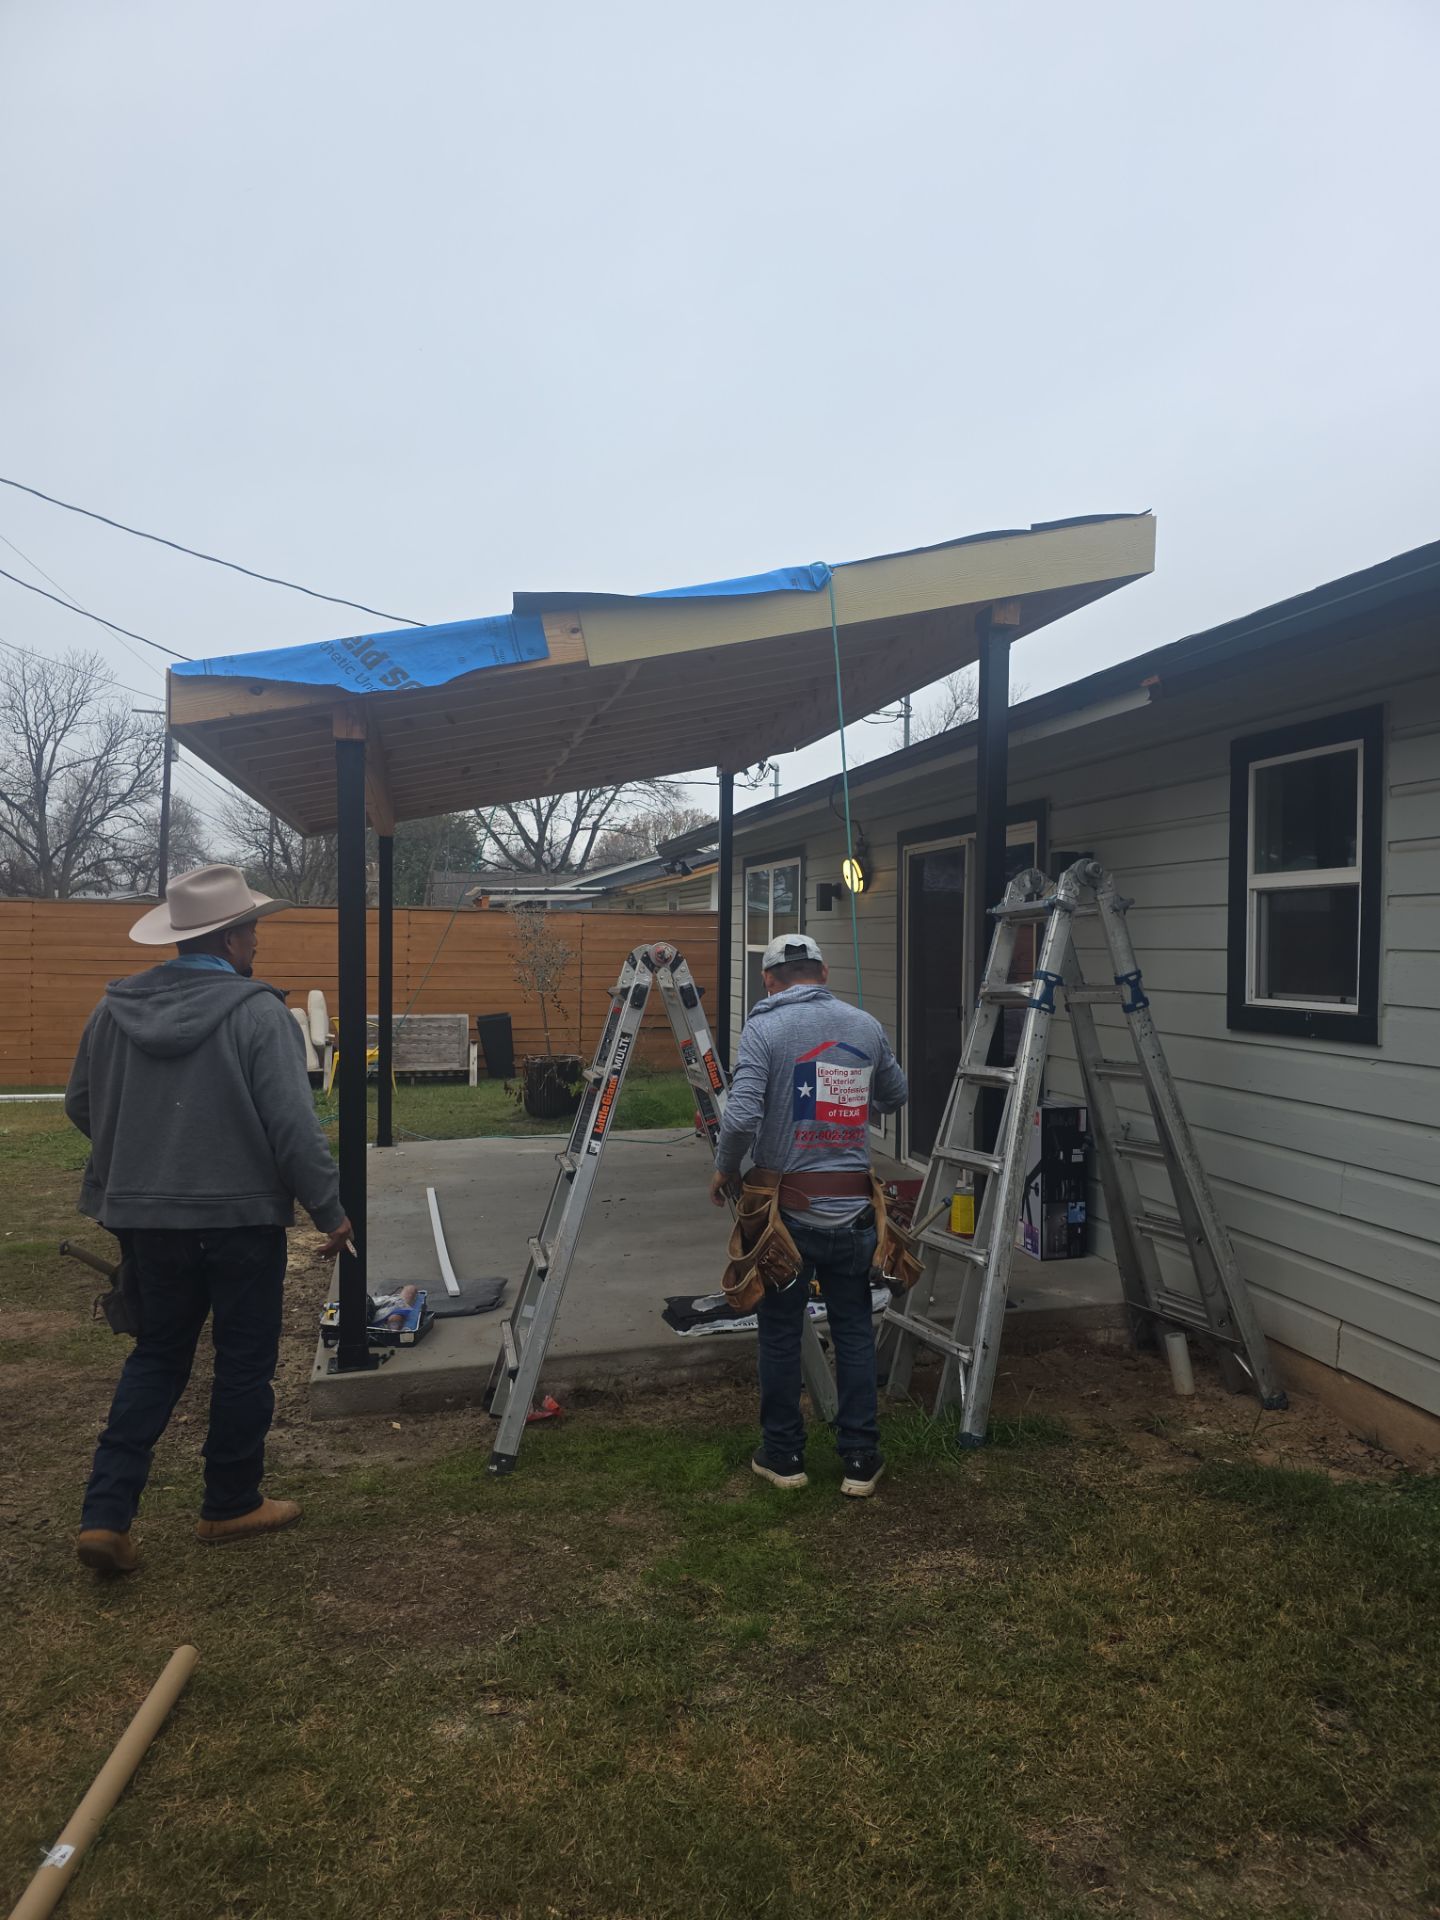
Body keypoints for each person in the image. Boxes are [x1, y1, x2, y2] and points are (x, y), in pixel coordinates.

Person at [66, 864, 353, 1574]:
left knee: (158, 1355)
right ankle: (229, 1503)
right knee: (244, 1360)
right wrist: (332, 1211)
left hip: (144, 1222)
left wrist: (143, 1157)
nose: (258, 937)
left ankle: (105, 1514)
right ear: (230, 939)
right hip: (239, 1223)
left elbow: (80, 1104)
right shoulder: (259, 1014)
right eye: (252, 926)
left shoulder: (111, 1012)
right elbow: (293, 1128)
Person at [710, 934, 908, 1498]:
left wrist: (726, 1166)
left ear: (770, 980)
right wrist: (847, 1093)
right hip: (853, 1216)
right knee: (852, 1331)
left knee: (777, 1332)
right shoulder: (865, 1026)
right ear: (821, 972)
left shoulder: (764, 1029)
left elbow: (743, 1114)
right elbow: (897, 1093)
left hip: (786, 1221)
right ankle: (860, 1462)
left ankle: (784, 1457)